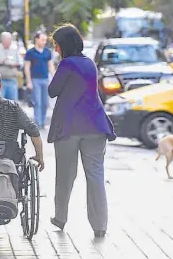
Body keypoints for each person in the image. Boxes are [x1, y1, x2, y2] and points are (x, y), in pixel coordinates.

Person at [48, 24, 116, 237]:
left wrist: (56, 67)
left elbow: (52, 91)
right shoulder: (90, 64)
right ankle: (100, 225)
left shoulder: (66, 64)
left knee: (66, 175)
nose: (56, 49)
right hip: (95, 125)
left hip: (68, 127)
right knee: (95, 174)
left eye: (56, 45)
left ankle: (60, 217)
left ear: (63, 45)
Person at [24, 31, 55, 129]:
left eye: (45, 40)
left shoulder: (47, 52)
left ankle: (43, 120)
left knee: (45, 102)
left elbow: (50, 66)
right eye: (42, 39)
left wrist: (54, 77)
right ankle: (38, 122)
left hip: (45, 79)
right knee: (37, 102)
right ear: (36, 39)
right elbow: (27, 67)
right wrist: (29, 81)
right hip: (35, 79)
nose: (44, 42)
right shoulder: (30, 52)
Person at [0, 32, 23, 100]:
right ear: (3, 40)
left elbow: (21, 63)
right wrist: (1, 62)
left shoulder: (15, 50)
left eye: (10, 39)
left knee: (12, 105)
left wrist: (14, 64)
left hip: (12, 80)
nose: (10, 41)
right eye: (8, 39)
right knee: (0, 105)